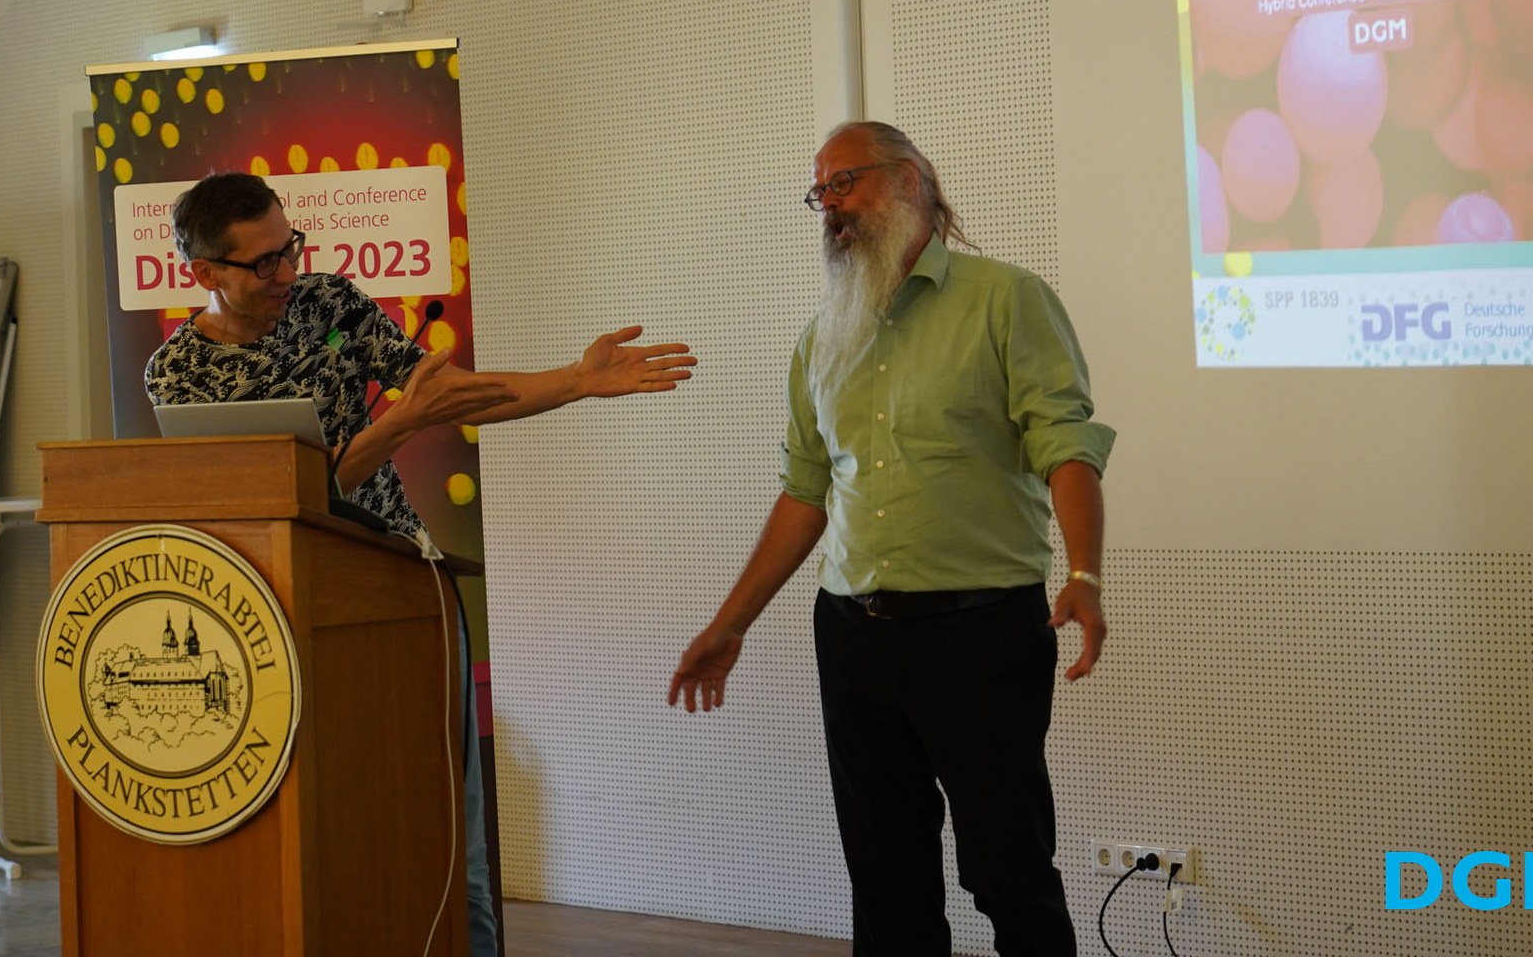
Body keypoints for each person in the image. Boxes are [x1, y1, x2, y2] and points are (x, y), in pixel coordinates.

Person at [147, 170, 695, 957]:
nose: (287, 272)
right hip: (271, 624)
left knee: (449, 838)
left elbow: (450, 395)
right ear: (204, 270)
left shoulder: (329, 304)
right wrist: (400, 424)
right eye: (263, 263)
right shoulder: (177, 374)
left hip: (405, 587)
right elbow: (280, 494)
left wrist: (576, 381)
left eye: (289, 248)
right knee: (335, 839)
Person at [667, 122, 1112, 956]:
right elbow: (804, 495)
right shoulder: (821, 339)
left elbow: (1067, 447)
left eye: (846, 182)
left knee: (1009, 872)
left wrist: (1084, 574)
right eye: (819, 193)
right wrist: (729, 624)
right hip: (853, 638)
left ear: (911, 181)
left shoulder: (1007, 300)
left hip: (980, 633)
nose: (830, 205)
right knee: (885, 881)